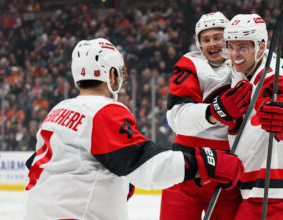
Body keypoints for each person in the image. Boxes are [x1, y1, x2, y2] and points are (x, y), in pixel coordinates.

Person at [23, 38, 244, 220]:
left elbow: (37, 163)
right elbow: (146, 164)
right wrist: (206, 162)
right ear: (110, 75)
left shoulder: (58, 110)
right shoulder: (105, 110)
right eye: (118, 73)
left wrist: (115, 180)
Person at [223, 14, 283, 220]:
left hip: (271, 187)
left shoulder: (272, 79)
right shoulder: (243, 70)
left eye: (242, 47)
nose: (235, 55)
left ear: (260, 47)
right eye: (231, 47)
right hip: (260, 183)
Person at [160, 12, 252, 220]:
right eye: (206, 39)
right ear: (199, 44)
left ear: (229, 38)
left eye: (218, 37)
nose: (212, 44)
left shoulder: (245, 61)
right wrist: (215, 110)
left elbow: (275, 70)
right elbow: (177, 118)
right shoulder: (190, 63)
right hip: (188, 163)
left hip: (228, 167)